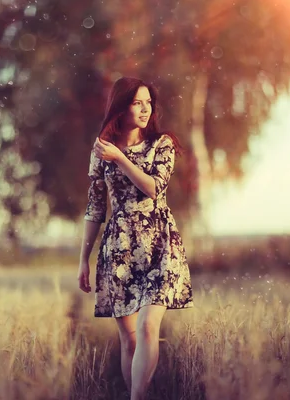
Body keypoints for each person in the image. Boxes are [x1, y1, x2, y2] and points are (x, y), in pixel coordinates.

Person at [78, 76, 194, 400]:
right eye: (137, 102)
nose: (145, 109)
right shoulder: (101, 150)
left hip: (158, 243)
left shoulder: (162, 144)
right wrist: (83, 260)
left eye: (148, 103)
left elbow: (154, 187)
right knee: (129, 340)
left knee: (146, 327)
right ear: (121, 106)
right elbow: (95, 207)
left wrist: (120, 159)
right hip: (120, 250)